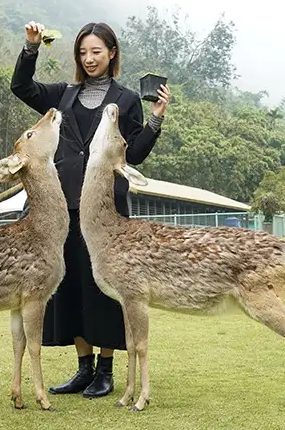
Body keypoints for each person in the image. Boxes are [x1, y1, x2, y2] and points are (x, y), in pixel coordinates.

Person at [10, 20, 170, 398]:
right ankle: (83, 369)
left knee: (105, 288)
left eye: (96, 51)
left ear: (112, 53)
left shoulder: (127, 100)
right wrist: (31, 48)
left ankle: (106, 370)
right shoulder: (63, 95)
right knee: (70, 287)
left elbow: (137, 154)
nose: (89, 58)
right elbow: (21, 86)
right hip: (61, 209)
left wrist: (157, 119)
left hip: (103, 211)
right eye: (83, 52)